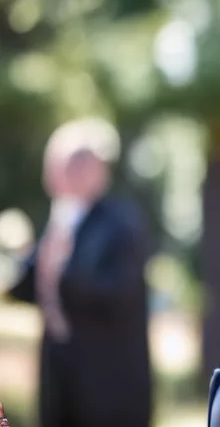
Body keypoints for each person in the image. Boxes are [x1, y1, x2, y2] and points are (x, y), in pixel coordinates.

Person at [9, 118, 152, 426]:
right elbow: (34, 285)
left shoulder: (119, 223)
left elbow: (117, 292)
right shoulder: (60, 221)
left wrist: (61, 273)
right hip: (61, 370)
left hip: (107, 380)